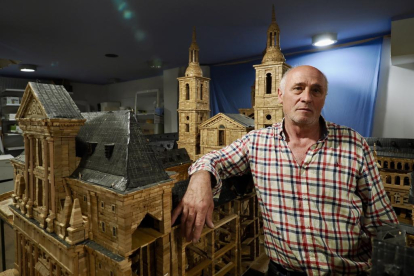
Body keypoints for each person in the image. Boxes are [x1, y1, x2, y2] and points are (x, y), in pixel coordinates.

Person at [171, 65, 398, 275]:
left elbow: (382, 220)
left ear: (323, 99)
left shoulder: (354, 144)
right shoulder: (256, 143)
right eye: (298, 88)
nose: (306, 98)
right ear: (280, 95)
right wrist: (200, 179)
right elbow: (214, 159)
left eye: (316, 91)